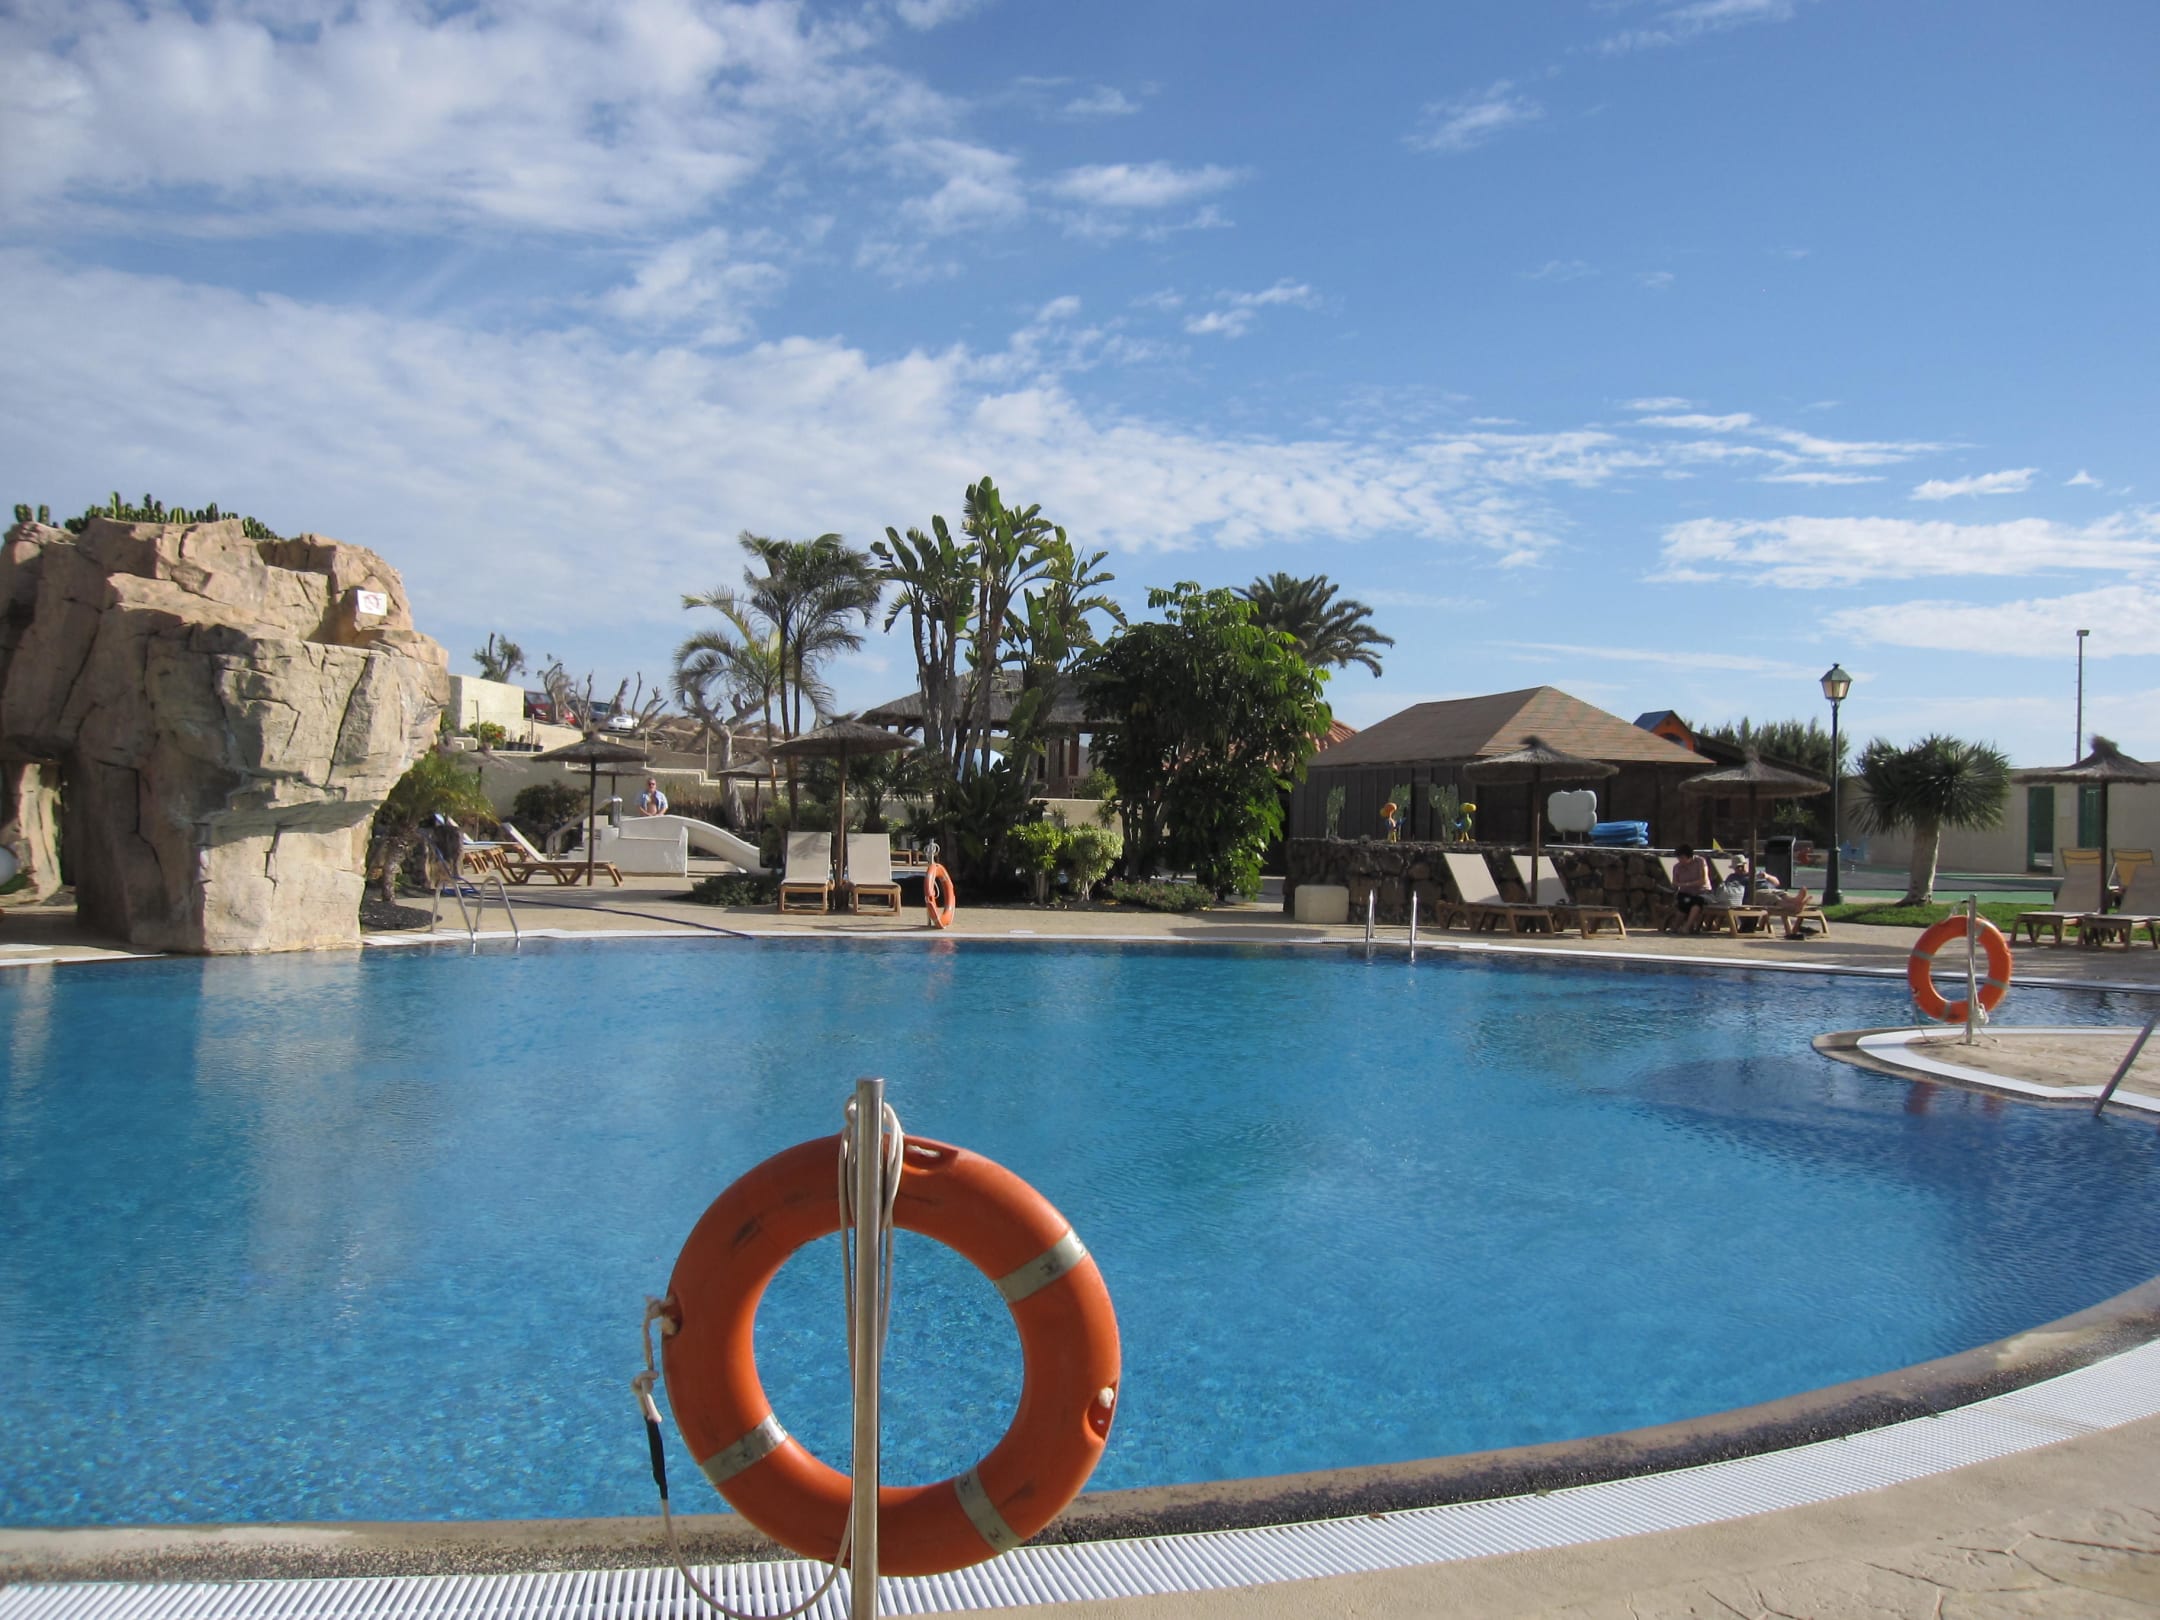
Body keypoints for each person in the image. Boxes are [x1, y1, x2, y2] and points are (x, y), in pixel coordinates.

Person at [1669, 843, 1716, 934]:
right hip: (1686, 893)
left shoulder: (1700, 862)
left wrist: (1686, 884)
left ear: (1689, 856)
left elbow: (1702, 880)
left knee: (1696, 903)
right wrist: (1678, 886)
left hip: (1702, 892)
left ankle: (1687, 927)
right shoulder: (1677, 867)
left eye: (1682, 858)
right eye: (1679, 858)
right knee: (1683, 903)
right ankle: (1676, 927)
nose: (1680, 860)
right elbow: (1675, 883)